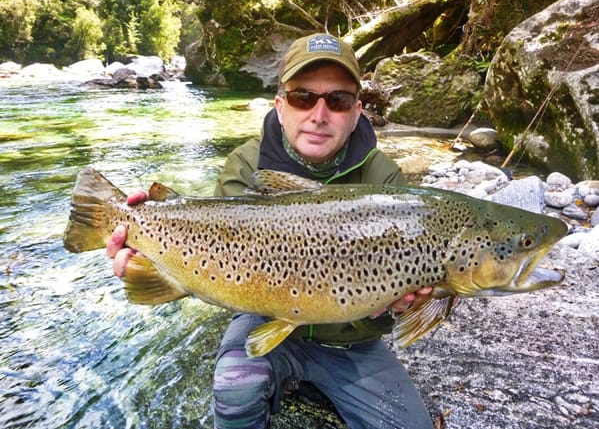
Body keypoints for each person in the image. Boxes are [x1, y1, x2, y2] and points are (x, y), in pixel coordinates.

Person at [107, 33, 435, 429]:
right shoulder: (246, 163)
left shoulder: (384, 179)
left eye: (338, 100)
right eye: (302, 97)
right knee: (234, 390)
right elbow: (216, 256)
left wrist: (406, 301)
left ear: (357, 112)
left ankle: (311, 378)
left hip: (350, 339)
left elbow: (414, 293)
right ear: (280, 107)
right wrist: (150, 256)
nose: (319, 114)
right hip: (260, 320)